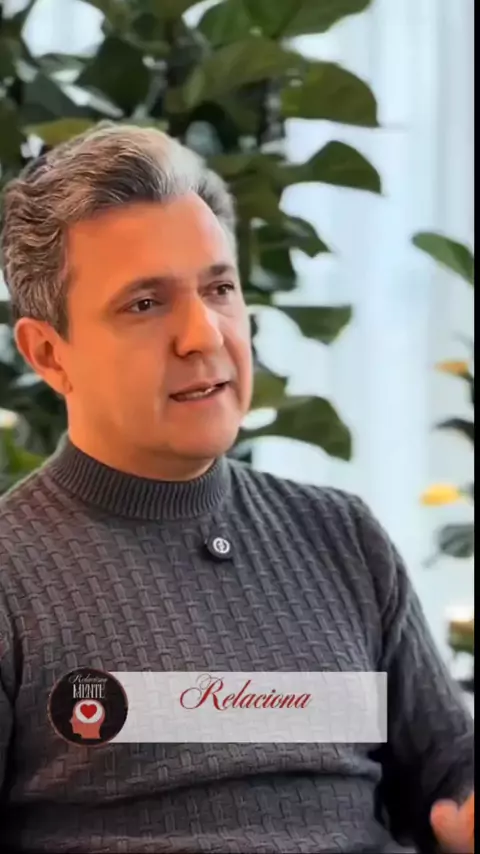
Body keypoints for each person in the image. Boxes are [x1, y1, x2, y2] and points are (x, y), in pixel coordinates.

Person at [0, 123, 474, 854]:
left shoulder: (342, 536)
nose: (204, 334)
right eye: (145, 304)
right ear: (48, 353)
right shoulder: (12, 574)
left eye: (219, 288)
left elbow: (449, 772)